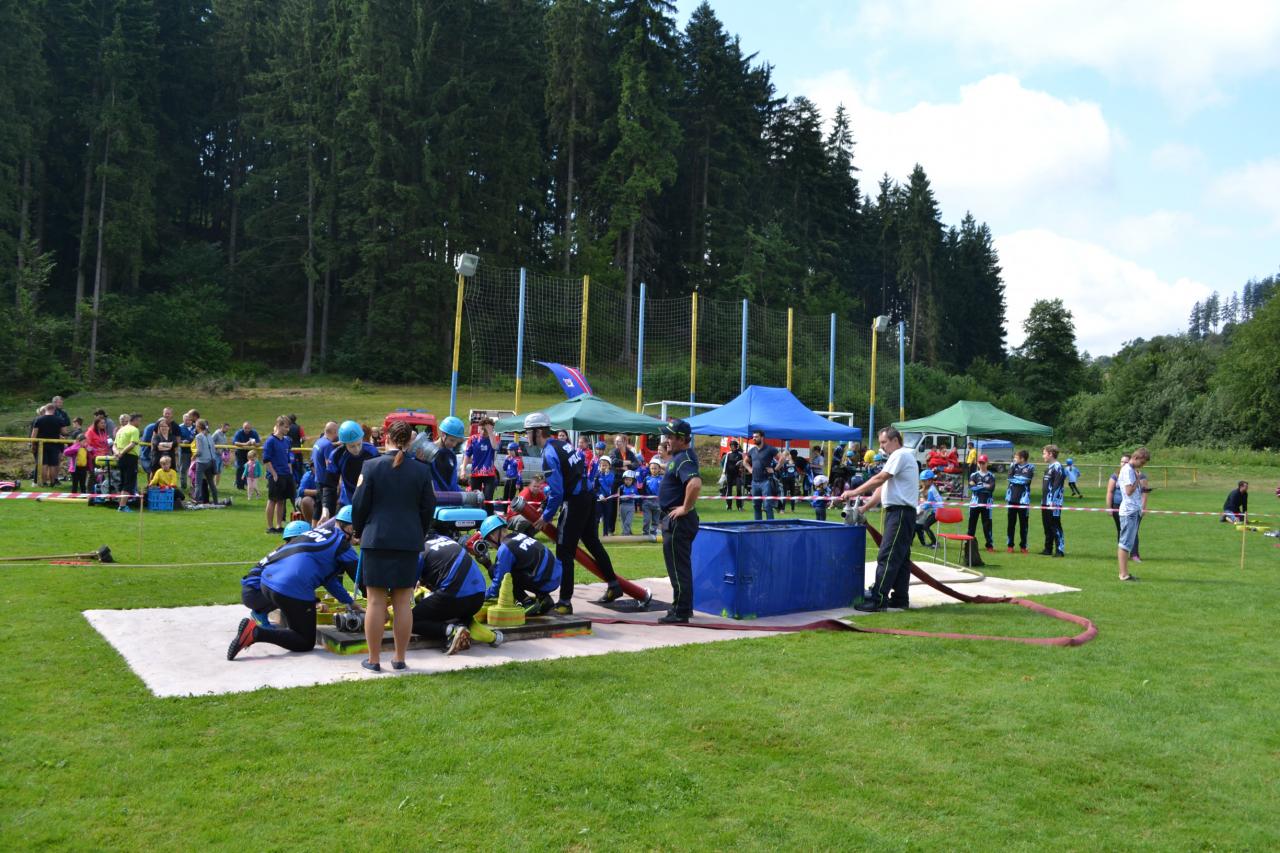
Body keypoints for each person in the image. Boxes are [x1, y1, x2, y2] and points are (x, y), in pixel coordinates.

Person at [350, 419, 437, 671]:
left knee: (375, 602)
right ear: (411, 441)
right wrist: (418, 532)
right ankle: (399, 658)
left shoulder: (371, 466)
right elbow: (428, 508)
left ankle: (374, 660)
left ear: (385, 438)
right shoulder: (422, 470)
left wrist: (358, 531)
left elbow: (359, 505)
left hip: (376, 539)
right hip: (408, 541)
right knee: (402, 603)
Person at [525, 412, 625, 613]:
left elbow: (558, 492)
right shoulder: (562, 445)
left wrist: (546, 517)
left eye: (528, 432)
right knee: (592, 542)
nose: (526, 436)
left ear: (538, 432)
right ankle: (614, 585)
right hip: (588, 497)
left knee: (564, 551)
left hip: (576, 501)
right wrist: (546, 497)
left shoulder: (548, 454)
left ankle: (564, 602)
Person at [226, 520, 360, 660]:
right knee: (305, 641)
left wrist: (349, 602)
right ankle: (256, 633)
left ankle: (260, 617)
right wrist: (314, 602)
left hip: (261, 587)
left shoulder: (289, 550)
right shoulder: (309, 552)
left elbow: (328, 581)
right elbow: (296, 580)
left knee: (293, 609)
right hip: (260, 591)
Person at [841, 426, 920, 612]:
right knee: (900, 558)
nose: (881, 446)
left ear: (895, 440)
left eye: (884, 442)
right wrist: (864, 507)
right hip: (900, 513)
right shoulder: (899, 457)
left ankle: (878, 599)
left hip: (900, 513)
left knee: (888, 555)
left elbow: (880, 478)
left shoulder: (900, 455)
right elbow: (882, 488)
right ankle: (900, 598)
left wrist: (854, 492)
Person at [653, 419, 702, 623]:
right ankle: (682, 607)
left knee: (678, 568)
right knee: (679, 567)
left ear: (682, 439)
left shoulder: (684, 459)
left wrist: (685, 507)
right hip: (675, 521)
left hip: (679, 522)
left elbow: (695, 483)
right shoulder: (679, 457)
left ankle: (680, 612)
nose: (667, 440)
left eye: (671, 437)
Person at [414, 532, 495, 654]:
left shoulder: (419, 551)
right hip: (478, 598)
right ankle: (464, 626)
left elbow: (406, 589)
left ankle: (451, 631)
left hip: (454, 597)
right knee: (448, 609)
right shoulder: (447, 539)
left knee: (410, 620)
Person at [478, 514, 561, 616]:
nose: (490, 545)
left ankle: (527, 602)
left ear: (492, 536)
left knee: (499, 573)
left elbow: (499, 580)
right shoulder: (518, 535)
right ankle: (544, 599)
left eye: (488, 542)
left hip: (545, 581)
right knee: (520, 567)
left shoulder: (505, 548)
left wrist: (483, 596)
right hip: (555, 576)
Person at [321, 420, 379, 520]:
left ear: (362, 439)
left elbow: (379, 480)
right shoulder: (336, 456)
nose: (356, 449)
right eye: (352, 446)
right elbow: (330, 485)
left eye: (359, 444)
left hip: (370, 501)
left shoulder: (372, 451)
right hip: (347, 501)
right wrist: (326, 508)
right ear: (344, 444)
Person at [1117, 448, 1151, 581]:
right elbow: (1129, 491)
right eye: (1142, 462)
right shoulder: (1127, 470)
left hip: (1133, 510)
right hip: (1129, 511)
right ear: (1136, 458)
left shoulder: (1131, 470)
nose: (1143, 465)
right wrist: (1137, 479)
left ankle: (1125, 573)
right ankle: (1123, 574)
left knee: (1127, 543)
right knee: (1125, 543)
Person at [262, 415, 294, 534]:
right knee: (272, 500)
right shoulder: (270, 441)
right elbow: (266, 460)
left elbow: (288, 458)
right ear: (279, 426)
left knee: (281, 501)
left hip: (286, 475)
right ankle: (270, 527)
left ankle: (279, 525)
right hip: (276, 476)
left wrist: (290, 472)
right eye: (285, 427)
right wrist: (274, 474)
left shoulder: (286, 441)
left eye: (288, 427)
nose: (287, 429)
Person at [418, 415, 465, 494]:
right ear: (443, 435)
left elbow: (453, 485)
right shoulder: (426, 452)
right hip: (431, 498)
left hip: (448, 499)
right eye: (452, 440)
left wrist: (467, 493)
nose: (454, 444)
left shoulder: (451, 456)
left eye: (457, 442)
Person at [745, 430, 779, 520]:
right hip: (754, 482)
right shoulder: (752, 450)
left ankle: (770, 525)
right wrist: (750, 469)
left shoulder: (770, 449)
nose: (754, 438)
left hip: (766, 481)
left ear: (762, 438)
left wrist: (775, 469)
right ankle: (757, 525)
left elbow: (782, 458)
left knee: (767, 506)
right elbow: (745, 462)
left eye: (756, 437)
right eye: (753, 437)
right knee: (756, 505)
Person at [1005, 450, 1034, 554]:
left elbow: (1026, 480)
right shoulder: (1013, 466)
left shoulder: (1030, 467)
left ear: (1022, 458)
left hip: (1023, 500)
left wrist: (1016, 479)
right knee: (1011, 524)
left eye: (1016, 457)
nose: (1014, 459)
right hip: (1012, 499)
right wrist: (1018, 478)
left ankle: (1023, 546)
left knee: (1024, 524)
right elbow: (1009, 478)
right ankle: (1010, 545)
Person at [1039, 444, 1066, 557]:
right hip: (1045, 502)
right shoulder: (1048, 468)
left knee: (1055, 525)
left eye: (1044, 453)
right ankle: (1048, 549)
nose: (1043, 456)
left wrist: (1053, 501)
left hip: (1054, 503)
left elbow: (1057, 486)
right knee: (1047, 525)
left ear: (1050, 454)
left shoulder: (1058, 467)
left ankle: (1060, 550)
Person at [464, 417, 499, 501]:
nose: (483, 432)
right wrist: (463, 469)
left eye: (485, 430)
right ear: (479, 428)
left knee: (488, 499)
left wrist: (490, 432)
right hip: (475, 473)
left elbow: (495, 447)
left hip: (489, 474)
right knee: (475, 499)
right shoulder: (473, 439)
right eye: (482, 429)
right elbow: (467, 455)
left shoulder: (494, 438)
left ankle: (488, 510)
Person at [113, 414, 143, 512]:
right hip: (130, 457)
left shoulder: (120, 430)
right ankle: (122, 506)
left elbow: (114, 445)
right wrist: (122, 453)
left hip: (121, 458)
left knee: (122, 481)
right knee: (129, 482)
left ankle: (120, 504)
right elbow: (132, 444)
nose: (139, 423)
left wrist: (117, 453)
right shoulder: (134, 430)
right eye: (139, 421)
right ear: (135, 420)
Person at [967, 454, 996, 551]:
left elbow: (991, 488)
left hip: (986, 504)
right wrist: (984, 486)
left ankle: (989, 545)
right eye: (980, 463)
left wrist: (980, 485)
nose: (982, 465)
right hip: (974, 504)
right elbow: (971, 487)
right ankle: (969, 544)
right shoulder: (973, 475)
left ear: (987, 463)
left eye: (983, 463)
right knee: (971, 526)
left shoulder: (991, 476)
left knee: (987, 526)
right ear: (978, 463)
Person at [30, 404, 64, 486]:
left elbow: (33, 435)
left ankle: (44, 482)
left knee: (43, 464)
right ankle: (52, 482)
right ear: (54, 410)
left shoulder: (39, 419)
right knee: (53, 465)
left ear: (45, 409)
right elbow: (64, 432)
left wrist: (33, 445)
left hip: (41, 445)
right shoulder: (59, 419)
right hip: (54, 445)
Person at [192, 419, 219, 504]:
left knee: (198, 483)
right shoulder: (209, 435)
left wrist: (193, 456)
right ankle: (216, 501)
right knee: (211, 483)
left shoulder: (198, 436)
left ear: (198, 427)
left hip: (201, 462)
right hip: (211, 461)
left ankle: (195, 500)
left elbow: (199, 451)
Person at [915, 469, 943, 547]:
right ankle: (933, 542)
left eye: (924, 481)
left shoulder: (931, 490)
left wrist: (919, 512)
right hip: (936, 511)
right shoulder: (931, 488)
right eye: (922, 481)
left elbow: (927, 504)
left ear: (930, 481)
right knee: (924, 525)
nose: (923, 483)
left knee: (926, 526)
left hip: (938, 512)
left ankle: (935, 543)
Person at [233, 421, 260, 490]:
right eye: (245, 428)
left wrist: (255, 444)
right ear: (243, 427)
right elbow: (235, 442)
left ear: (251, 428)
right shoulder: (239, 432)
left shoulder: (254, 433)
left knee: (249, 468)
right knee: (240, 468)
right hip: (240, 452)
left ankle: (247, 484)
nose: (247, 430)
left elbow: (258, 443)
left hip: (250, 453)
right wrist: (245, 444)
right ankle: (239, 486)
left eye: (248, 428)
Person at [642, 458, 664, 539]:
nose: (653, 470)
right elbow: (642, 490)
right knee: (647, 519)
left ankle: (653, 534)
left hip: (658, 503)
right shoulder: (646, 478)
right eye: (652, 468)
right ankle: (645, 533)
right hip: (647, 502)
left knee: (655, 520)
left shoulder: (662, 479)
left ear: (659, 469)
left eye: (655, 468)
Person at [721, 440, 745, 510]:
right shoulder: (728, 454)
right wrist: (723, 473)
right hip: (729, 474)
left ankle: (739, 506)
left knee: (739, 489)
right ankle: (729, 506)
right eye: (731, 446)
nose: (732, 447)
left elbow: (743, 463)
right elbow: (725, 464)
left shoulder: (740, 454)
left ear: (736, 446)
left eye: (733, 446)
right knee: (729, 490)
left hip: (737, 475)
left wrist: (742, 469)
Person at [596, 457, 617, 536]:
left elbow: (609, 484)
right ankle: (595, 534)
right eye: (602, 465)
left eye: (605, 465)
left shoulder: (611, 475)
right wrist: (599, 495)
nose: (603, 467)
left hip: (608, 499)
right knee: (597, 518)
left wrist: (606, 475)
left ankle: (605, 534)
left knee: (607, 517)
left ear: (609, 466)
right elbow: (595, 487)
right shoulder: (597, 475)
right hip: (599, 499)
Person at [177, 410, 197, 490]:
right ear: (183, 420)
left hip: (194, 452)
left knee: (194, 469)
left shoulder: (196, 427)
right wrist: (182, 441)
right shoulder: (180, 427)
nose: (188, 421)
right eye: (186, 420)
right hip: (184, 452)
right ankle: (183, 486)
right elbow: (177, 438)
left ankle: (194, 485)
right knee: (183, 469)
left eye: (189, 420)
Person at [617, 470, 639, 535]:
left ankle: (625, 533)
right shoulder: (621, 487)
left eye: (630, 480)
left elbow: (637, 496)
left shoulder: (634, 488)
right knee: (623, 521)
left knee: (628, 521)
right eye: (626, 479)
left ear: (633, 481)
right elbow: (618, 496)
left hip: (631, 506)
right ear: (624, 480)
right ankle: (627, 531)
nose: (628, 481)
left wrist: (634, 496)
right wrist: (622, 497)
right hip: (622, 506)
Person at [210, 422, 231, 487]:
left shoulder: (224, 435)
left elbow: (224, 445)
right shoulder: (216, 433)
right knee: (213, 471)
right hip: (215, 455)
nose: (227, 430)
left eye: (228, 429)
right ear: (222, 427)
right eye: (226, 429)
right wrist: (216, 448)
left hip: (221, 455)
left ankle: (216, 486)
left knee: (219, 472)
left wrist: (227, 449)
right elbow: (211, 442)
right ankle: (210, 485)